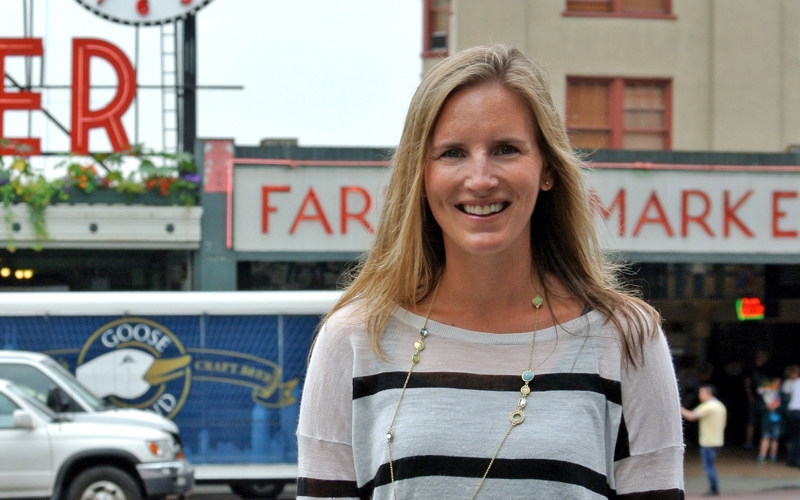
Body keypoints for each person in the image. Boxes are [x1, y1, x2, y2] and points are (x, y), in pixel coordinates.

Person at [296, 44, 684, 499]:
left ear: (547, 169)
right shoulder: (354, 338)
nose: (480, 179)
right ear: (420, 175)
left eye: (505, 149)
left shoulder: (627, 339)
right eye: (452, 153)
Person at [681, 385, 727, 497]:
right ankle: (714, 488)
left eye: (701, 393)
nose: (699, 395)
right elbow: (724, 424)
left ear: (708, 394)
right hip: (717, 440)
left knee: (708, 466)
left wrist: (679, 408)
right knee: (711, 465)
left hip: (708, 441)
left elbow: (691, 416)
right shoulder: (720, 406)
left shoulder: (708, 406)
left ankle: (714, 489)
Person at [756, 377, 785, 462]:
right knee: (765, 437)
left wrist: (776, 407)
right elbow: (759, 406)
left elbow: (784, 407)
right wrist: (766, 407)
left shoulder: (782, 395)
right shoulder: (764, 393)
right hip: (767, 419)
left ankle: (773, 456)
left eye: (778, 384)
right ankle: (762, 456)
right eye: (774, 383)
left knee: (775, 438)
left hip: (778, 420)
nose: (776, 385)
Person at [786, 365, 800, 467]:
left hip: (792, 411)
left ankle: (791, 460)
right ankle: (798, 460)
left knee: (794, 437)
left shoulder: (792, 383)